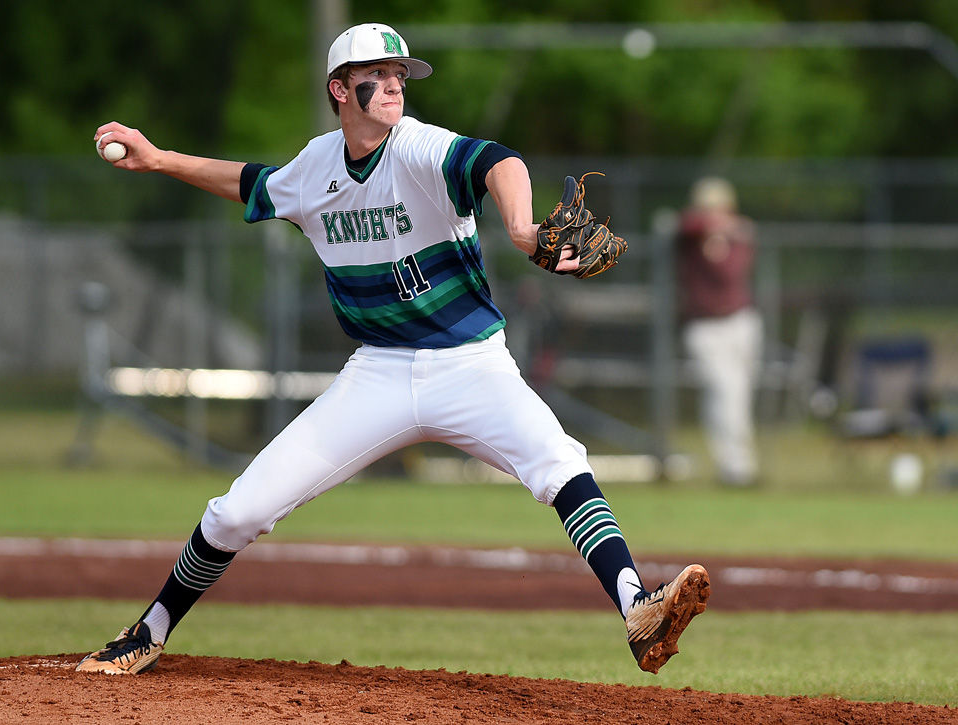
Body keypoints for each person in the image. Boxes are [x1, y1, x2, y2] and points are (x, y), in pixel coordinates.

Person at [78, 22, 709, 677]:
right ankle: (148, 629)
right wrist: (159, 158)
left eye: (401, 74)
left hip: (471, 364)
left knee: (559, 463)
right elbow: (253, 184)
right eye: (378, 74)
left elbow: (498, 161)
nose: (395, 86)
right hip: (377, 372)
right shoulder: (317, 167)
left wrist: (521, 224)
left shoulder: (417, 148)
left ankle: (637, 607)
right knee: (239, 510)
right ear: (340, 88)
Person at [676, 177, 763, 486]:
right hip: (704, 329)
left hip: (740, 323)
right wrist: (712, 230)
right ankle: (735, 467)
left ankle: (739, 464)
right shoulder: (690, 236)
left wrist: (724, 235)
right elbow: (686, 224)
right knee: (726, 391)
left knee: (738, 395)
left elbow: (731, 271)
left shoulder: (738, 237)